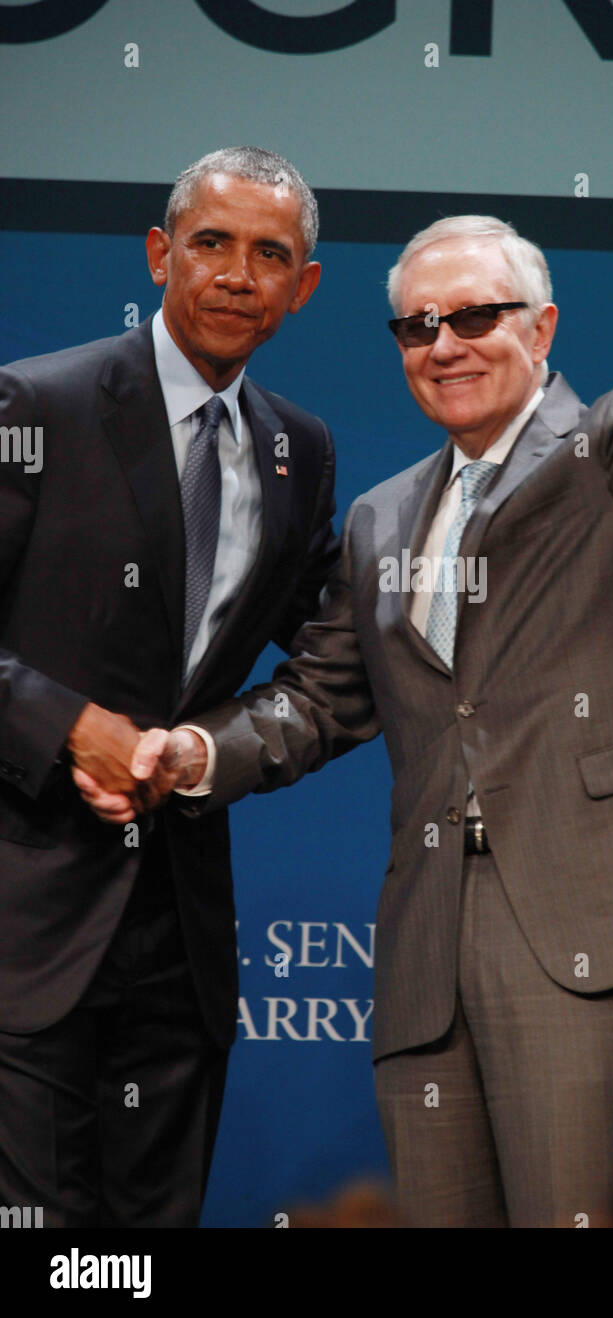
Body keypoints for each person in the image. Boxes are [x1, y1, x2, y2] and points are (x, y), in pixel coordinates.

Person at [80, 118, 613, 1227]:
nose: (445, 343)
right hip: (427, 963)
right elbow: (322, 699)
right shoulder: (380, 517)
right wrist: (196, 751)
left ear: (544, 325)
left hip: (589, 939)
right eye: (418, 326)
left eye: (476, 317)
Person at [0, 146, 337, 1226]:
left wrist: (206, 752)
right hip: (27, 913)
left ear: (304, 286)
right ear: (159, 254)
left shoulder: (300, 451)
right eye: (212, 244)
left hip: (179, 932)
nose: (239, 274)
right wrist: (66, 728)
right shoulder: (36, 404)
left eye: (270, 254)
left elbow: (328, 651)